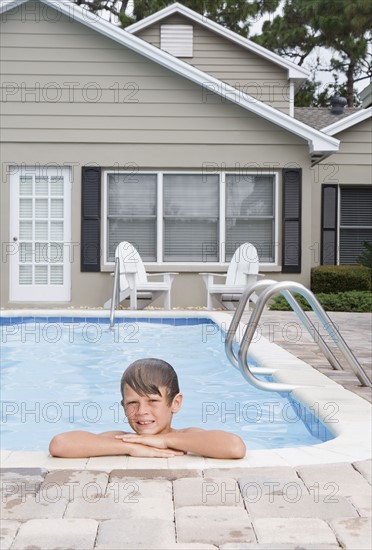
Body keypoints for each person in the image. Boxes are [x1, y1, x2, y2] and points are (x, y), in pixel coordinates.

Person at [49, 358, 246, 459]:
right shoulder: (123, 438)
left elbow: (234, 447)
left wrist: (165, 440)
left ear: (175, 403)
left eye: (152, 401)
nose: (142, 411)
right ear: (123, 406)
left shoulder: (187, 437)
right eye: (132, 403)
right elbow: (60, 444)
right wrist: (132, 448)